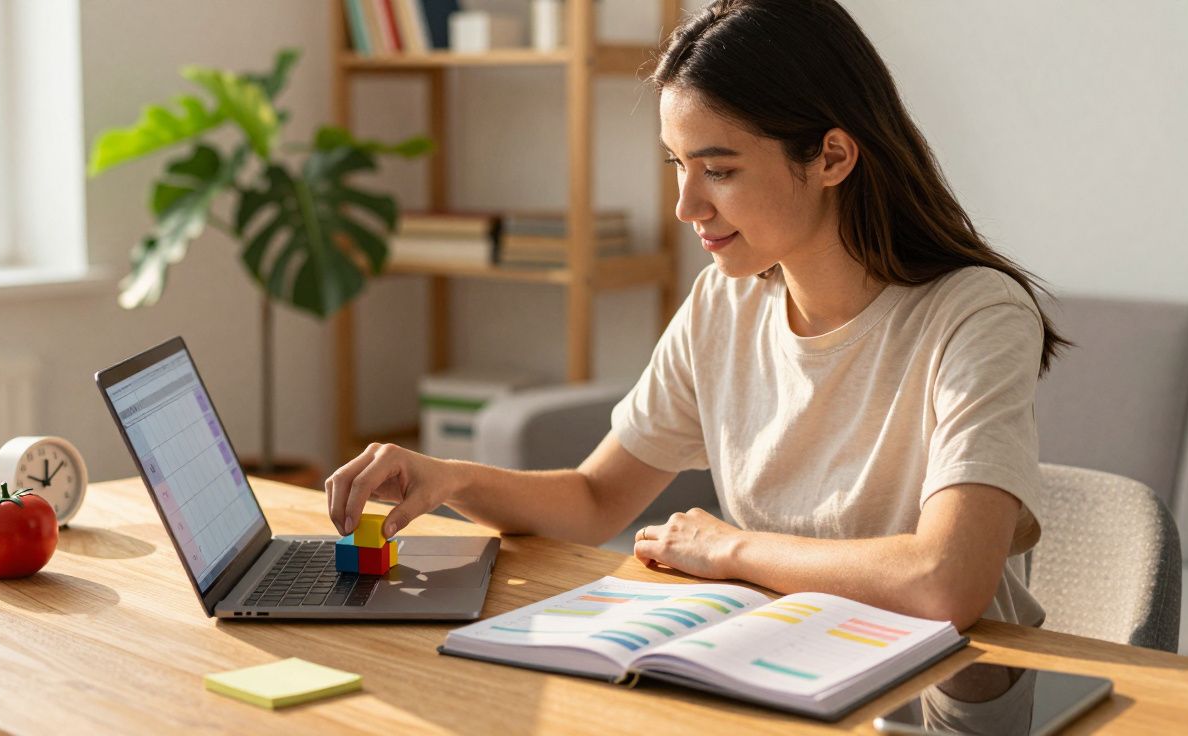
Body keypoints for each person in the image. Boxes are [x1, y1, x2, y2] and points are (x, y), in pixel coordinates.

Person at [325, 0, 1071, 630]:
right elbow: (594, 500)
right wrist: (449, 479)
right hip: (785, 659)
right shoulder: (726, 302)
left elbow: (946, 581)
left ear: (833, 157)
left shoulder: (974, 315)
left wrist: (730, 550)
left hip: (951, 693)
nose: (687, 207)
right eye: (677, 166)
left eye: (718, 170)